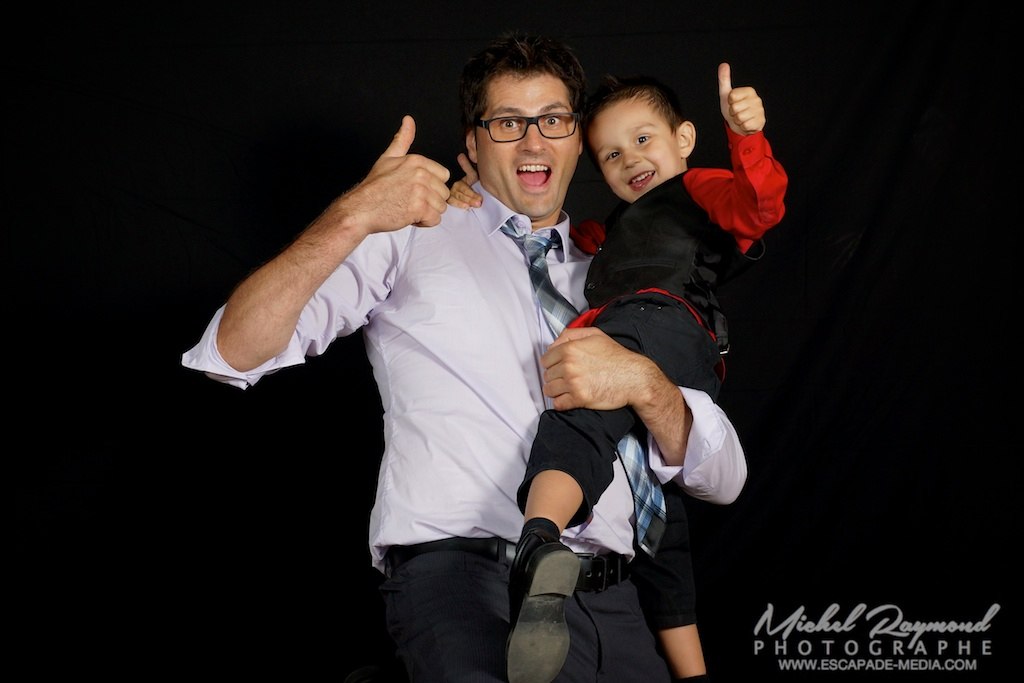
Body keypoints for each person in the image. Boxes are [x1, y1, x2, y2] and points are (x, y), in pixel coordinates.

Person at [182, 33, 747, 683]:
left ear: (577, 141)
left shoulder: (619, 274)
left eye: (554, 120)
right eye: (508, 122)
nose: (534, 142)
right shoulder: (411, 237)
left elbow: (721, 476)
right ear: (473, 144)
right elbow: (232, 350)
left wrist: (647, 384)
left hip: (616, 605)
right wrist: (354, 215)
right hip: (466, 583)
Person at [449, 63, 787, 681]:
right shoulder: (613, 229)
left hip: (656, 324)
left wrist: (746, 138)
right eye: (608, 153)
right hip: (685, 353)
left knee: (578, 415)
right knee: (654, 510)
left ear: (683, 139)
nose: (629, 159)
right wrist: (476, 196)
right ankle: (693, 671)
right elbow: (556, 240)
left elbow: (758, 206)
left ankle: (541, 538)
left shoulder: (700, 189)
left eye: (643, 140)